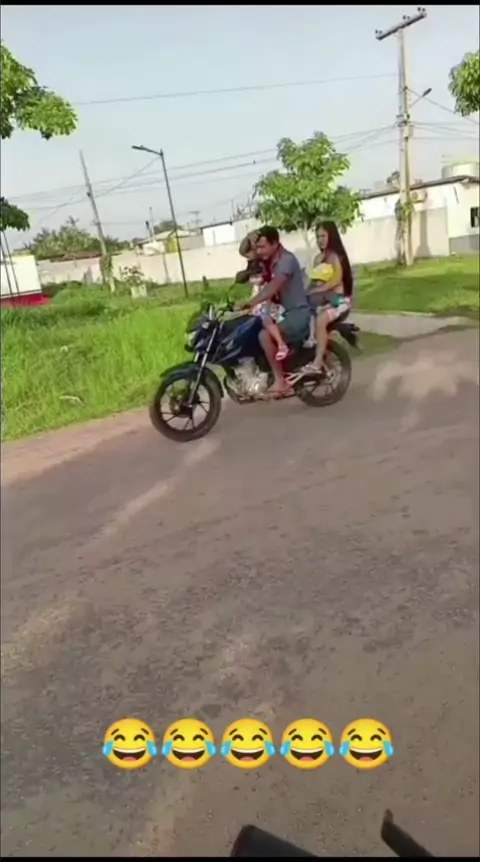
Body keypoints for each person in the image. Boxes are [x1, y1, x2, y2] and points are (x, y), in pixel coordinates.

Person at [240, 226, 311, 397]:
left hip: (297, 314)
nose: (259, 251)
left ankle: (281, 380)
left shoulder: (286, 261)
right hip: (282, 313)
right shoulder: (269, 259)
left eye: (262, 247)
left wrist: (251, 303)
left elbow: (273, 287)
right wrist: (249, 238)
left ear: (275, 244)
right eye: (257, 247)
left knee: (264, 336)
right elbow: (246, 252)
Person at [303, 220, 354, 373]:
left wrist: (318, 290)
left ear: (331, 236)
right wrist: (305, 293)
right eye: (318, 237)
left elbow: (336, 280)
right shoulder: (318, 259)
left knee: (320, 320)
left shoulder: (335, 256)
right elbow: (313, 282)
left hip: (339, 302)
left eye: (323, 236)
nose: (320, 240)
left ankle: (317, 363)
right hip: (321, 301)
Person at [235, 232, 289, 361]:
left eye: (248, 253)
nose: (247, 257)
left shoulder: (266, 263)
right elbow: (245, 277)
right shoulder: (253, 263)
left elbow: (269, 286)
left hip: (269, 299)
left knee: (265, 319)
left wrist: (267, 307)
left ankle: (281, 345)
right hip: (258, 299)